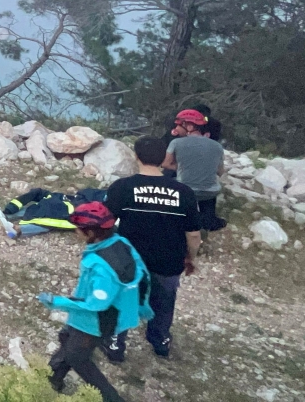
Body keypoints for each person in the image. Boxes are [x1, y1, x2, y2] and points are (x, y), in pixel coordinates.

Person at [38, 202, 152, 402]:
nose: (75, 231)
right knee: (67, 337)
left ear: (91, 232)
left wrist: (57, 302)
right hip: (109, 315)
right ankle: (52, 378)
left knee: (77, 357)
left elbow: (96, 304)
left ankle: (111, 398)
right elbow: (143, 275)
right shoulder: (121, 243)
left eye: (79, 229)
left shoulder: (101, 267)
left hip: (95, 321)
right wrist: (142, 306)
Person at [104, 136, 201, 360]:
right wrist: (191, 258)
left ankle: (116, 345)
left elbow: (105, 224)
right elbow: (194, 234)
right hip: (168, 261)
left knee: (123, 300)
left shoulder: (122, 187)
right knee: (164, 301)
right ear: (163, 159)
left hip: (130, 261)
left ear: (136, 156)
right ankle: (161, 341)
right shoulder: (184, 192)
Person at [164, 109, 227, 232]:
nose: (176, 128)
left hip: (186, 191)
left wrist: (180, 167)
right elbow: (220, 172)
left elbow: (166, 164)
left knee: (168, 179)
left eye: (179, 124)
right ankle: (209, 220)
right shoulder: (217, 146)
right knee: (208, 188)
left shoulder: (176, 142)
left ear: (190, 126)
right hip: (210, 192)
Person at [0, 187, 107, 239]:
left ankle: (16, 228)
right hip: (66, 205)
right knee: (44, 216)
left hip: (67, 207)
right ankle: (7, 215)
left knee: (48, 220)